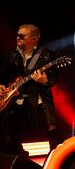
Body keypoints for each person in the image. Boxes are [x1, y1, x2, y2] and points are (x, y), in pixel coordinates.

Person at [0, 24, 60, 155]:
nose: (17, 38)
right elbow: (3, 75)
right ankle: (20, 161)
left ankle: (52, 168)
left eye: (22, 36)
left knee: (52, 134)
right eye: (17, 35)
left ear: (34, 39)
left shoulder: (46, 55)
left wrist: (45, 81)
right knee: (8, 136)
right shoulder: (12, 54)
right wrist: (1, 86)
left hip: (38, 101)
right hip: (15, 101)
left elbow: (54, 78)